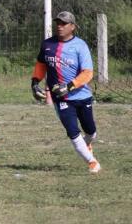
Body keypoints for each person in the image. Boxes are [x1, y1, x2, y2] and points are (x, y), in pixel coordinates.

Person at [31, 11, 101, 173]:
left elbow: (88, 73)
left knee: (90, 131)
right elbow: (41, 64)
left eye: (64, 24)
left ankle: (87, 143)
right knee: (72, 131)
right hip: (61, 98)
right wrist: (35, 83)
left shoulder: (80, 45)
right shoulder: (47, 44)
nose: (60, 26)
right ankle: (92, 162)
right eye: (58, 23)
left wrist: (69, 86)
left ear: (73, 27)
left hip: (82, 96)